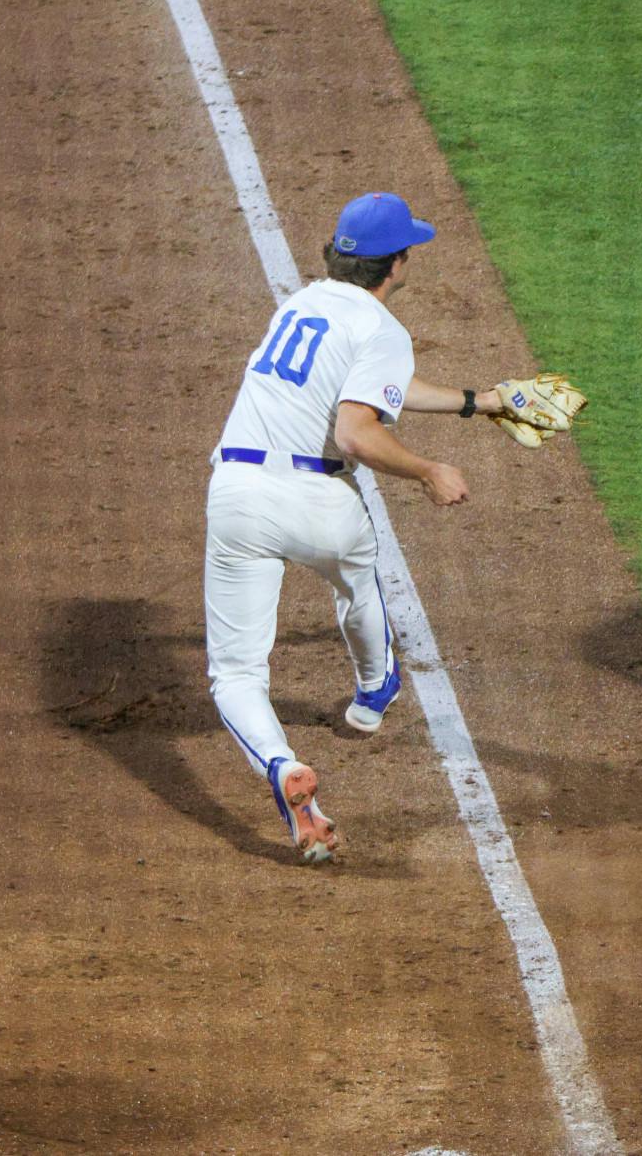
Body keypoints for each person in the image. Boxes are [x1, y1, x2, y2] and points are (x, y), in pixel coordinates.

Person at [205, 191, 516, 862]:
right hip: (319, 502)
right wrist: (428, 470)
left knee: (234, 673)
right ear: (397, 264)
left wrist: (478, 402)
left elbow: (384, 388)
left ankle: (283, 767)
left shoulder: (300, 304)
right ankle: (374, 689)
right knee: (357, 579)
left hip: (237, 492)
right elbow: (356, 428)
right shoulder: (383, 330)